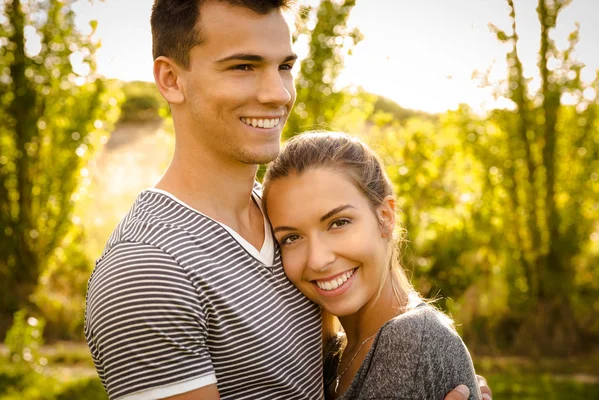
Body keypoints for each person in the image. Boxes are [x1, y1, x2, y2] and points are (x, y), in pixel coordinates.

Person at [84, 1, 492, 399]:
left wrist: (428, 371)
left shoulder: (286, 217)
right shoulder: (148, 269)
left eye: (284, 67)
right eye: (243, 66)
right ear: (171, 79)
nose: (277, 93)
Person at [262, 131, 482, 399]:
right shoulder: (335, 353)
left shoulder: (409, 339)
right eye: (292, 237)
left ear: (385, 217)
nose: (318, 260)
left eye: (338, 222)